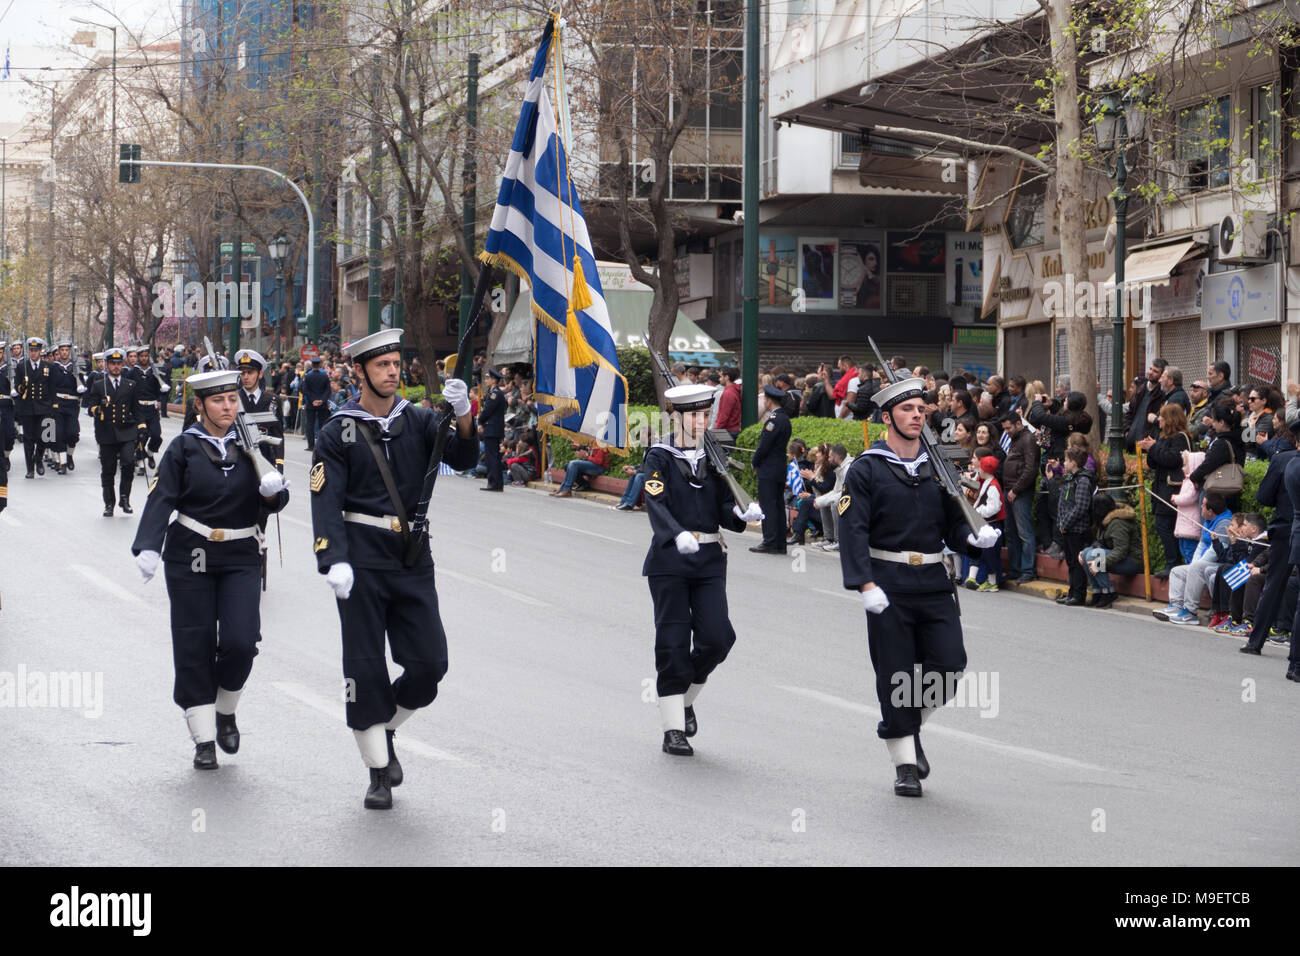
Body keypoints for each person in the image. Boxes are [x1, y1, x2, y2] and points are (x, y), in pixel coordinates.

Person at [309, 329, 476, 809]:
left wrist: (462, 415)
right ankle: (378, 771)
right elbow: (325, 500)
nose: (392, 372)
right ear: (360, 372)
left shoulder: (420, 420)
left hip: (410, 558)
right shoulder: (336, 430)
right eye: (381, 365)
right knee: (364, 667)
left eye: (395, 364)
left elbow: (465, 460)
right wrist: (332, 557)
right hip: (360, 559)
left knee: (430, 664)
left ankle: (385, 728)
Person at [838, 376, 998, 797]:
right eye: (908, 410)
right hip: (888, 585)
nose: (916, 416)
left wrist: (973, 539)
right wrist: (865, 585)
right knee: (895, 673)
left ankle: (903, 724)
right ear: (888, 417)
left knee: (949, 666)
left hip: (932, 581)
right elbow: (852, 529)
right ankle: (905, 762)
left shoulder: (936, 466)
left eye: (921, 410)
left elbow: (950, 525)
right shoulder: (867, 468)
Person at [130, 368, 290, 770]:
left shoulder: (252, 445)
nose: (227, 407)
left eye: (232, 399)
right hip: (191, 556)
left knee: (241, 641)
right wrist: (149, 545)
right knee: (193, 643)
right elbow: (163, 496)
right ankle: (203, 737)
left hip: (240, 555)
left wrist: (274, 494)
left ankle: (226, 708)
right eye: (218, 401)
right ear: (199, 405)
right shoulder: (184, 447)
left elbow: (272, 498)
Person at [641, 383, 763, 756]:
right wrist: (676, 534)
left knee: (717, 638)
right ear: (674, 416)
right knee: (673, 642)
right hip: (670, 560)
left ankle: (687, 697)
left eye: (703, 414)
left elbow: (723, 506)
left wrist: (742, 515)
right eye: (691, 415)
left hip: (709, 559)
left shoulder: (713, 457)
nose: (699, 421)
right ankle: (673, 727)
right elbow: (655, 500)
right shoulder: (659, 456)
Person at [1241, 429, 1299, 653]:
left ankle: (1255, 642)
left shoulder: (1282, 460)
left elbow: (1263, 496)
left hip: (1285, 529)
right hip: (1289, 529)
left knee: (1274, 585)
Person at [1155, 493, 1232, 625]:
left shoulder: (1224, 523)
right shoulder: (1208, 520)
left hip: (1219, 563)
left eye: (1203, 505)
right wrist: (1194, 564)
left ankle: (1190, 612)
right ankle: (1176, 607)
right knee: (1176, 572)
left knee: (1196, 568)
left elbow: (1216, 551)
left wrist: (1196, 566)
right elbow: (1202, 544)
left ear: (1210, 511)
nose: (1200, 507)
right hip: (1204, 564)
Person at [86, 348, 146, 517]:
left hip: (126, 431)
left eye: (119, 363)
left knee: (128, 463)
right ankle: (109, 503)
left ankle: (125, 498)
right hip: (106, 433)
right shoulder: (99, 384)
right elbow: (90, 408)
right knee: (108, 469)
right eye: (113, 363)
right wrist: (99, 408)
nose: (116, 367)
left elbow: (137, 409)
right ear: (107, 365)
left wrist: (142, 427)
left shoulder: (130, 385)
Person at [1139, 404, 1194, 578]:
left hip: (1173, 489)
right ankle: (1172, 562)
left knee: (1166, 526)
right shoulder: (1162, 437)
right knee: (1163, 526)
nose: (1159, 419)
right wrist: (1151, 448)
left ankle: (1174, 564)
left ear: (1170, 419)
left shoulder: (1180, 438)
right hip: (1161, 488)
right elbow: (1154, 463)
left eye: (1162, 416)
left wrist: (1154, 448)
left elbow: (1172, 459)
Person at [749, 384, 792, 554]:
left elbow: (764, 446)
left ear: (768, 400)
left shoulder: (774, 420)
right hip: (779, 467)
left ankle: (769, 540)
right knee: (778, 505)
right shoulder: (785, 418)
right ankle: (780, 542)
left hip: (769, 468)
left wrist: (755, 461)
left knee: (768, 506)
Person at [1054, 447, 1097, 606]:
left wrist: (1065, 523)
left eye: (1066, 460)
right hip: (1066, 528)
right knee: (1071, 561)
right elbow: (1062, 503)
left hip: (1077, 529)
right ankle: (1072, 591)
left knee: (1077, 563)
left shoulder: (1083, 480)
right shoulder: (1070, 478)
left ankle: (1079, 594)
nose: (1063, 463)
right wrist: (1060, 523)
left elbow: (1081, 507)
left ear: (1073, 462)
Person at [1081, 494, 1140, 608]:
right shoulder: (1105, 520)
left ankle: (1108, 592)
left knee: (1094, 556)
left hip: (1132, 561)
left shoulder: (1118, 523)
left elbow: (1121, 550)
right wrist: (1084, 552)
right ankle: (1097, 591)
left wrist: (1099, 563)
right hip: (1118, 557)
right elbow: (1102, 542)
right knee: (1085, 553)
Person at [1000, 411, 1039, 583]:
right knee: (1011, 532)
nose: (1006, 432)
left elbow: (1031, 469)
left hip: (1019, 492)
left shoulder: (1028, 439)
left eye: (1008, 428)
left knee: (1024, 532)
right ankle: (1016, 568)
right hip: (1010, 489)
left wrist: (1016, 489)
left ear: (1018, 424)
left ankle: (1027, 570)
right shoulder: (1017, 439)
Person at [1189, 401, 1246, 513]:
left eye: (1214, 421)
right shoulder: (1238, 438)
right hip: (1230, 490)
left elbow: (1209, 464)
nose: (1212, 424)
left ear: (1221, 422)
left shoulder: (1222, 443)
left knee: (1211, 526)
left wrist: (1194, 477)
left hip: (1217, 493)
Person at [12, 336, 56, 479]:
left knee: (47, 436)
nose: (33, 353)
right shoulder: (21, 366)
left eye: (36, 350)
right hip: (28, 407)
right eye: (31, 350)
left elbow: (52, 388)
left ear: (40, 351)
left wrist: (54, 406)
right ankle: (30, 468)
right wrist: (21, 387)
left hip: (44, 407)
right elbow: (17, 388)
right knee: (29, 439)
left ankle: (38, 458)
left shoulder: (48, 367)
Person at [50, 341, 85, 474]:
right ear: (59, 352)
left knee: (73, 434)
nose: (64, 352)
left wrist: (81, 386)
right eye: (62, 350)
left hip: (72, 404)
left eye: (66, 350)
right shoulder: (54, 367)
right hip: (58, 403)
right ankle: (63, 462)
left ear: (70, 352)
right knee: (58, 434)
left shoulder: (76, 366)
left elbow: (83, 386)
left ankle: (69, 455)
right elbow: (51, 386)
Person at [133, 344, 166, 473]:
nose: (144, 358)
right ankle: (141, 464)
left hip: (152, 409)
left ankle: (150, 454)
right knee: (141, 436)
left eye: (146, 356)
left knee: (156, 435)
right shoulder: (133, 373)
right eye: (141, 356)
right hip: (139, 408)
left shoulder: (155, 372)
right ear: (138, 357)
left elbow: (162, 390)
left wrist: (162, 390)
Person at [478, 367, 506, 492]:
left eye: (488, 378)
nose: (486, 380)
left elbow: (488, 410)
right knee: (494, 456)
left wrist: (480, 421)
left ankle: (493, 483)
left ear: (494, 380)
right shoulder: (494, 392)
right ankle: (497, 483)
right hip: (494, 428)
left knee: (492, 456)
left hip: (492, 428)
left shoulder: (495, 394)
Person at [300, 356, 331, 450]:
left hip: (311, 403)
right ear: (320, 364)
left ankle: (311, 445)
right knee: (322, 424)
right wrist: (322, 400)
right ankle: (322, 445)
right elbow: (328, 390)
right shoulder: (325, 376)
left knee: (310, 424)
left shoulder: (307, 376)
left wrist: (313, 400)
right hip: (322, 404)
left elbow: (305, 390)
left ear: (312, 365)